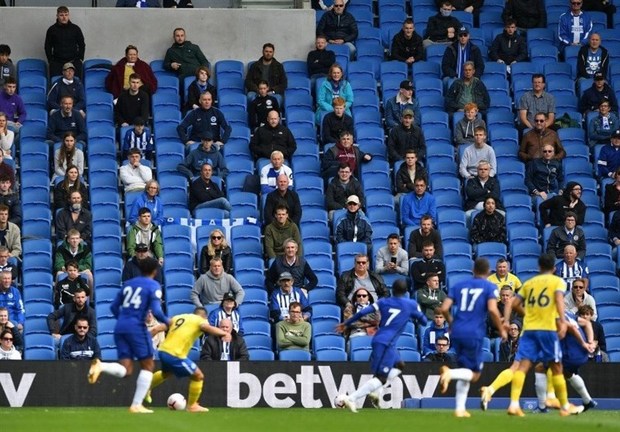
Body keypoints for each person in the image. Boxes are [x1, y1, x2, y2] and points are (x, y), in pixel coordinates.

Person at [485, 254, 582, 417]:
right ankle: (564, 405)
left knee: (521, 367)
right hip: (547, 329)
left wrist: (509, 320)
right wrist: (563, 321)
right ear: (554, 268)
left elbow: (512, 303)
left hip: (529, 330)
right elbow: (559, 300)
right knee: (557, 366)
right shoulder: (557, 281)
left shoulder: (529, 283)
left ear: (539, 268)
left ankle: (514, 404)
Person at [87, 258, 170, 414]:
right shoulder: (153, 285)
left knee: (127, 370)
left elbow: (113, 307)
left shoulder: (128, 285)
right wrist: (167, 321)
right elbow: (157, 311)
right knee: (148, 365)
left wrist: (124, 320)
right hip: (137, 327)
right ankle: (136, 405)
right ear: (154, 271)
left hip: (121, 327)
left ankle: (101, 365)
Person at [335, 279, 428, 412]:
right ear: (406, 291)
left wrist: (346, 323)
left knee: (399, 365)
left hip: (381, 339)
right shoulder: (410, 304)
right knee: (381, 377)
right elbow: (424, 322)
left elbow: (362, 312)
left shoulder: (384, 302)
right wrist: (416, 312)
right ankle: (352, 398)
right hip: (386, 343)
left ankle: (376, 392)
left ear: (392, 291)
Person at [437, 258, 506, 417]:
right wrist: (501, 329)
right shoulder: (489, 286)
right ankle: (449, 374)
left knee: (465, 369)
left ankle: (460, 408)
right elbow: (493, 310)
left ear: (473, 271)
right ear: (488, 272)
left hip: (457, 331)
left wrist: (451, 322)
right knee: (475, 374)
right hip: (474, 333)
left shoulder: (458, 286)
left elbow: (444, 308)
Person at [145, 310, 227, 412]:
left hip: (162, 351)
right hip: (174, 354)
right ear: (204, 317)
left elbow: (156, 329)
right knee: (198, 376)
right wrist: (224, 333)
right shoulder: (200, 321)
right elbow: (205, 327)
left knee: (166, 373)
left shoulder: (178, 317)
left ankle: (147, 387)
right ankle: (192, 406)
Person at [44, 6, 85, 78]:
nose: (64, 17)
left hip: (74, 61)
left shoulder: (75, 29)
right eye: (61, 15)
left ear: (69, 15)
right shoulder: (52, 30)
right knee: (56, 84)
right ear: (57, 16)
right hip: (57, 62)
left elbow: (82, 44)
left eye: (66, 15)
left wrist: (80, 58)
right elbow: (47, 46)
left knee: (75, 84)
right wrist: (51, 61)